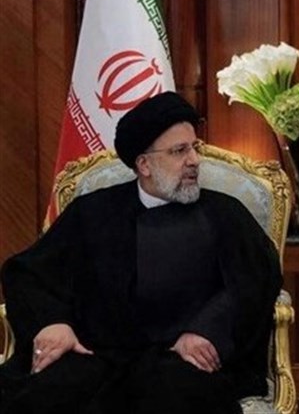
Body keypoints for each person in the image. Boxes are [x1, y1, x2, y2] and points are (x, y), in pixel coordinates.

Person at [0, 91, 282, 414]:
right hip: (97, 356)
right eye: (179, 151)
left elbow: (256, 278)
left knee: (174, 397)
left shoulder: (224, 213)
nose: (194, 160)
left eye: (195, 147)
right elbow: (30, 273)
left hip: (179, 361)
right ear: (144, 164)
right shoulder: (92, 212)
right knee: (41, 396)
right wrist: (52, 323)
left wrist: (207, 330)